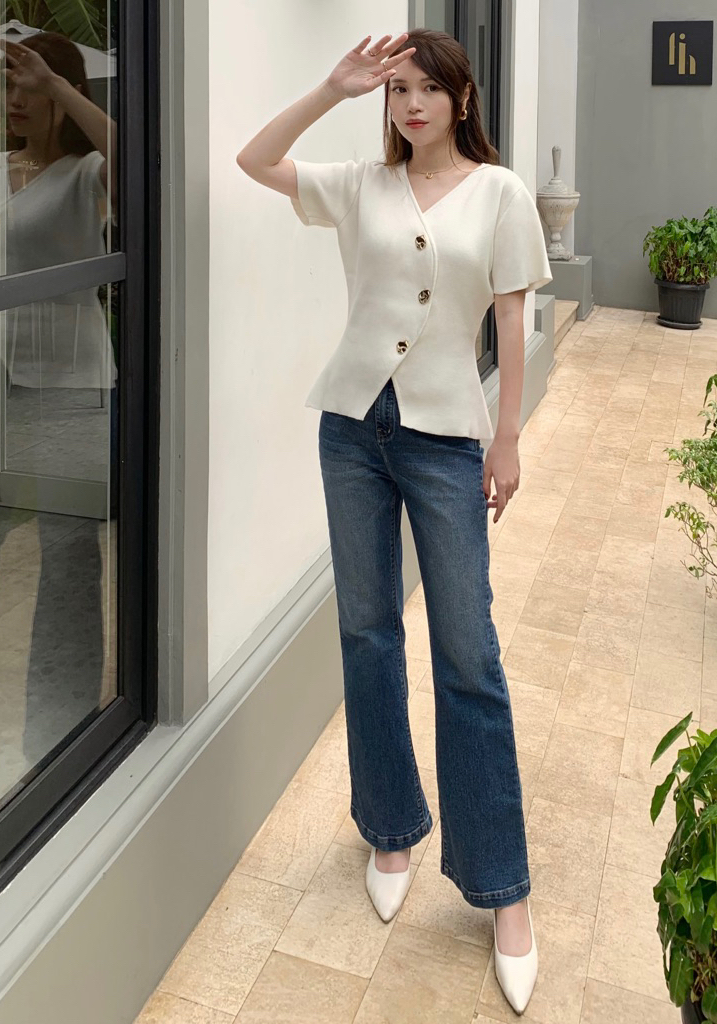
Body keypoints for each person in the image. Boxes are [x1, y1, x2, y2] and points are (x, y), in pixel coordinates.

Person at [237, 29, 552, 1015]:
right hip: (351, 431)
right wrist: (332, 89)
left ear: (462, 98)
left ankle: (501, 885)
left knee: (468, 653)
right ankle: (389, 825)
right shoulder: (360, 186)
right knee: (368, 633)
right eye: (396, 89)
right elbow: (255, 159)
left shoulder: (499, 193)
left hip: (447, 439)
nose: (409, 104)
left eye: (427, 89)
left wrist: (507, 435)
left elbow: (511, 315)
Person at [0, 30, 119, 819]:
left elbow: (136, 158)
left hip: (66, 387)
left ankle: (66, 733)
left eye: (29, 86)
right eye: (9, 85)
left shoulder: (88, 174)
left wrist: (64, 87)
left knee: (67, 564)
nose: (15, 99)